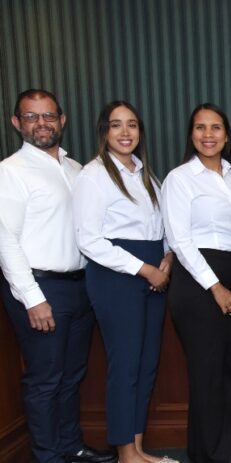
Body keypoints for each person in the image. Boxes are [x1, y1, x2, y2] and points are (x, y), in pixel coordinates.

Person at [0, 89, 115, 463]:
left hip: (80, 287)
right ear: (17, 123)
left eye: (48, 116)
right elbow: (6, 240)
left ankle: (72, 447)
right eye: (31, 117)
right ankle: (48, 456)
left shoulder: (76, 169)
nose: (41, 123)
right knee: (45, 380)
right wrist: (33, 299)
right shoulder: (11, 171)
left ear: (62, 121)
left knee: (71, 375)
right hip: (40, 288)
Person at [72, 101, 178, 463]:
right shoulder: (93, 175)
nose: (125, 132)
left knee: (147, 363)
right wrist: (145, 269)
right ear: (104, 131)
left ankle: (138, 447)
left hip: (154, 274)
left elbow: (162, 228)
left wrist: (165, 259)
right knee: (126, 364)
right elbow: (89, 239)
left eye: (131, 125)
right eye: (116, 125)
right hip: (117, 277)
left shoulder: (147, 175)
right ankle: (125, 453)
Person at [161, 103, 231, 463]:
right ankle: (215, 454)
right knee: (207, 372)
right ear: (192, 134)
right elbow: (180, 241)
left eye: (216, 127)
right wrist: (215, 287)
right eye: (201, 127)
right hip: (197, 280)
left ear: (227, 135)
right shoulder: (179, 179)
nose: (208, 134)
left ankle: (226, 448)